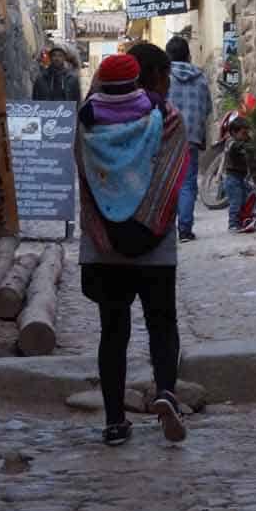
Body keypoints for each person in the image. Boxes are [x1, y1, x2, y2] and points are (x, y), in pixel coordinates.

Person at [76, 46, 190, 446]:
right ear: (154, 77)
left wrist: (103, 230)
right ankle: (166, 393)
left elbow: (86, 178)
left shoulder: (87, 121)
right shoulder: (169, 119)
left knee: (113, 330)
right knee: (162, 324)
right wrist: (151, 222)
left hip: (105, 244)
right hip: (155, 244)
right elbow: (171, 177)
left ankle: (113, 421)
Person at [165, 35, 212, 243]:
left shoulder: (164, 76)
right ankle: (185, 229)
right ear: (188, 55)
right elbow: (207, 108)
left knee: (167, 182)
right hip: (191, 136)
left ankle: (164, 228)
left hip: (167, 135)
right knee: (188, 182)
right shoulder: (200, 77)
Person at [223, 117, 254, 232]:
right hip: (232, 179)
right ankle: (233, 224)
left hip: (242, 178)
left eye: (247, 132)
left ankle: (243, 220)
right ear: (234, 133)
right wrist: (247, 145)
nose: (246, 135)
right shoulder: (231, 142)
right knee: (235, 201)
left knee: (247, 198)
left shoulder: (244, 141)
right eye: (243, 133)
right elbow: (235, 147)